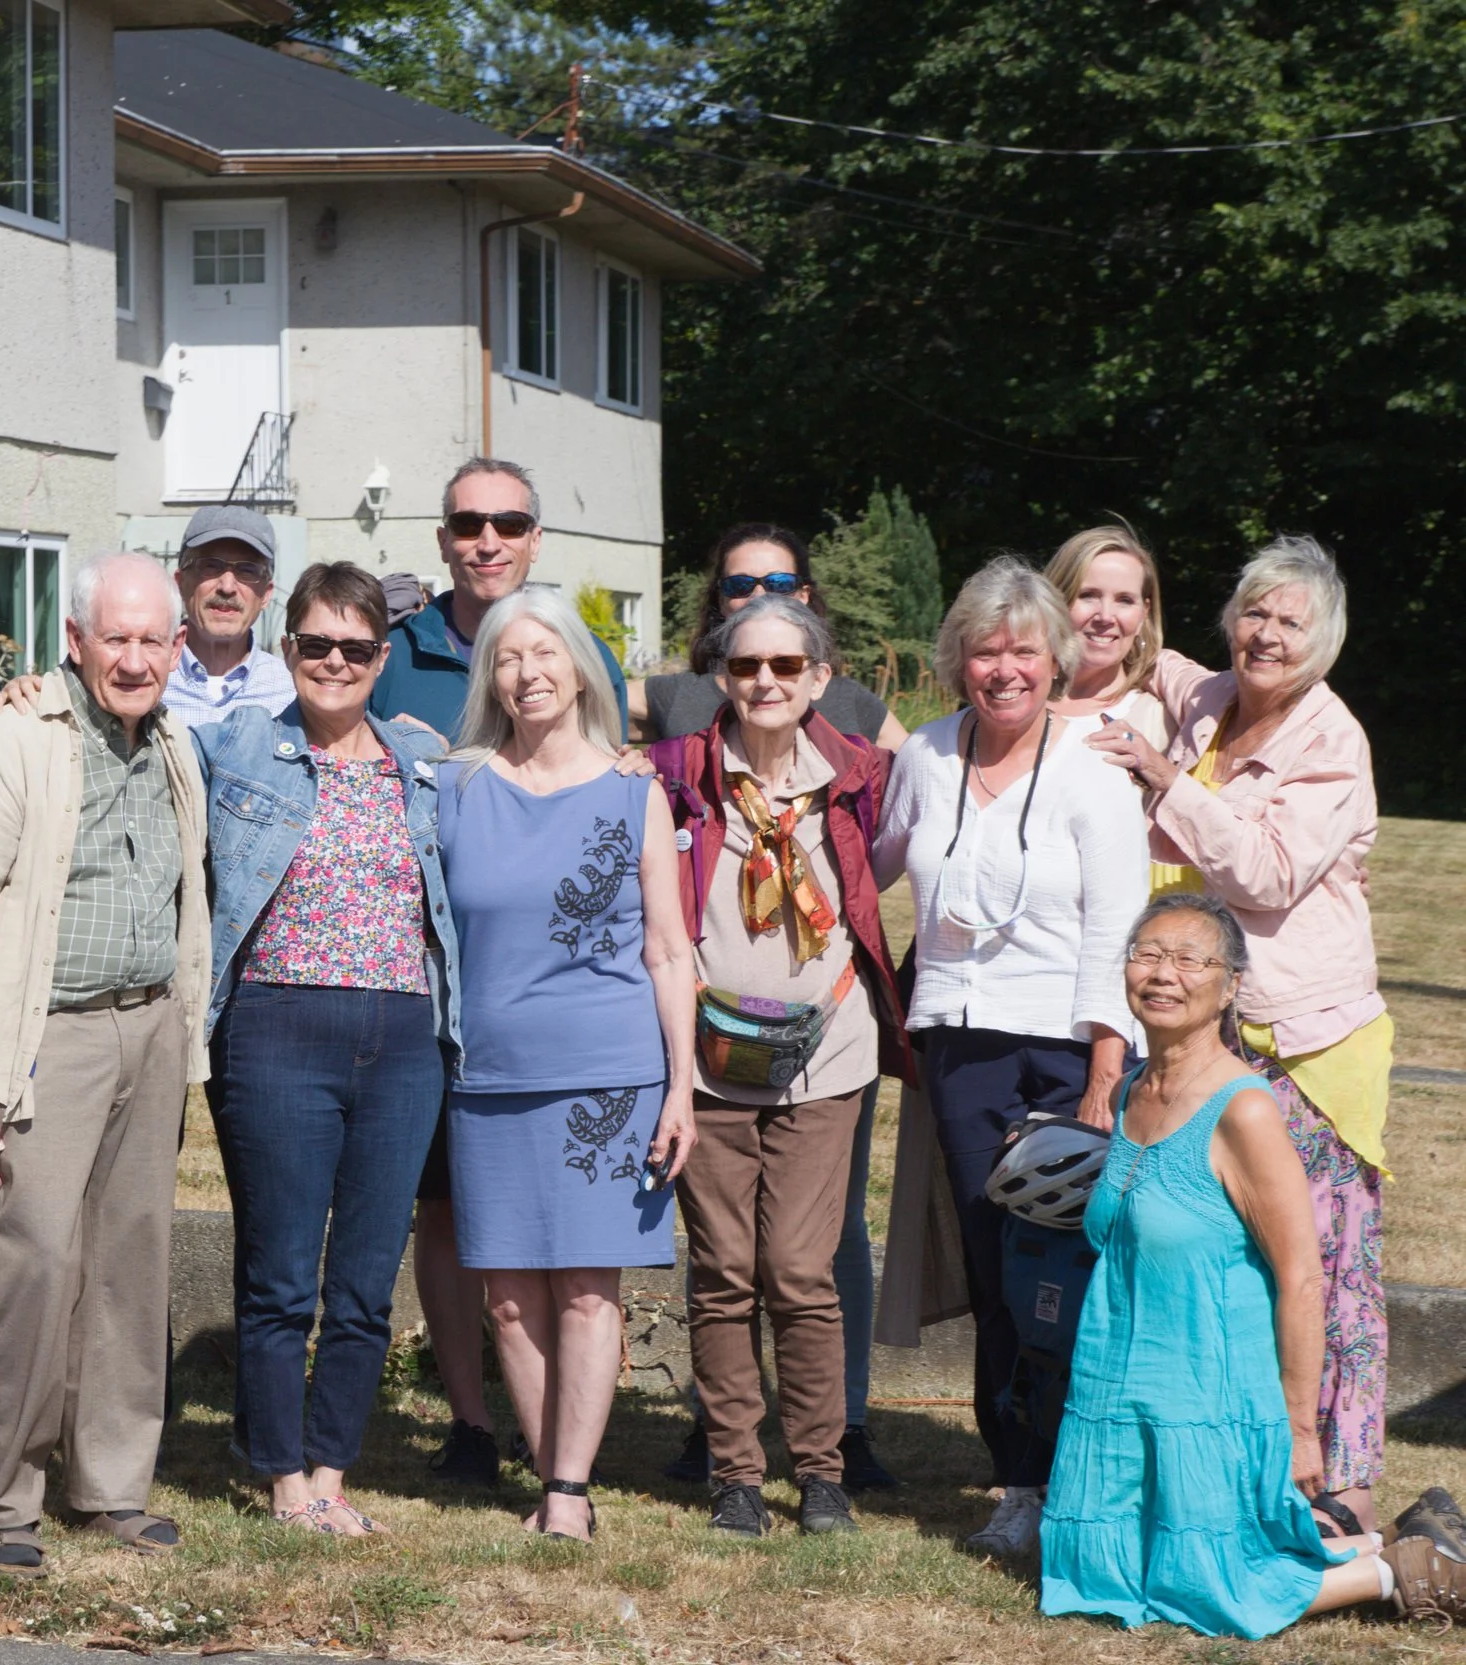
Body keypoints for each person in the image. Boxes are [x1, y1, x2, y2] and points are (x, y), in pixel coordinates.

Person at [1041, 894, 1466, 1633]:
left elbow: (1304, 1277)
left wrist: (1302, 1429)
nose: (1163, 973)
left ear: (1230, 984)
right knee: (1097, 1577)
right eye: (1148, 953)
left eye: (1189, 959)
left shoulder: (1245, 1108)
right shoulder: (1134, 1088)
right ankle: (1381, 1537)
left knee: (1210, 1595)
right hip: (1119, 1392)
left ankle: (1397, 1568)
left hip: (1211, 1399)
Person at [0, 551, 211, 1577]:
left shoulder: (174, 743)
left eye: (150, 641)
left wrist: (183, 1030)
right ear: (73, 644)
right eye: (112, 638)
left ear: (176, 650)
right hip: (44, 1040)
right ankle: (7, 1503)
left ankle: (112, 1488)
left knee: (129, 1266)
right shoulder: (11, 747)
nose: (133, 659)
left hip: (149, 1030)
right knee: (32, 1267)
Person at [1089, 535, 1386, 1530]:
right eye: (1253, 612)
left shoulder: (1329, 741)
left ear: (1324, 644)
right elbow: (1128, 649)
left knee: (1319, 1261)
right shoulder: (1206, 697)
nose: (1265, 634)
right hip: (1207, 1029)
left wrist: (1168, 780)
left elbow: (1262, 873)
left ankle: (1338, 1485)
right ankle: (1236, 1465)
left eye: (1289, 622)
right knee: (1225, 1258)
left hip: (1305, 1039)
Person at [873, 557, 1149, 1558]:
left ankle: (1093, 1481)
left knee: (1073, 1271)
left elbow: (1117, 928)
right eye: (985, 651)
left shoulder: (1093, 768)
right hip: (959, 1043)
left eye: (1023, 651)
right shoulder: (928, 759)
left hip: (1072, 1051)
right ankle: (1019, 1484)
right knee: (998, 1271)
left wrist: (1105, 1081)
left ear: (1054, 658)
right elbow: (864, 864)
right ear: (958, 660)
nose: (1004, 669)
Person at [366, 456, 629, 1487]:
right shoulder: (393, 652)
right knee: (449, 1212)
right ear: (442, 539)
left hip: (552, 1001)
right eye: (467, 522)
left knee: (555, 1241)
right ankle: (473, 1419)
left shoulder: (573, 642)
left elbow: (611, 772)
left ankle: (552, 1435)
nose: (486, 539)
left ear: (533, 536)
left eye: (506, 521)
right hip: (436, 984)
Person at [635, 522, 905, 1494]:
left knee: (799, 1271)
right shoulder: (675, 773)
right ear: (721, 672)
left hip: (827, 1054)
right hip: (710, 1057)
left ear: (819, 674)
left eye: (785, 664)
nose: (764, 680)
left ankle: (824, 1470)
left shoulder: (866, 779)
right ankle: (736, 1473)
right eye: (746, 666)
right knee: (721, 1275)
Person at [197, 563, 454, 1535]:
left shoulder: (423, 762)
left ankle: (332, 1471)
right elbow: (124, 726)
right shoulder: (234, 750)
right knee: (279, 1275)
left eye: (355, 647)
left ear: (380, 659)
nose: (334, 662)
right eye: (315, 644)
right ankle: (280, 1478)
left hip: (400, 1042)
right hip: (274, 1031)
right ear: (286, 649)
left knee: (362, 1280)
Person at [438, 587, 695, 1543]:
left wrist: (680, 1086)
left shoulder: (635, 789)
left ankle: (570, 1492)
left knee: (589, 1288)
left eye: (547, 653)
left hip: (609, 1073)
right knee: (507, 1298)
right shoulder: (452, 788)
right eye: (509, 656)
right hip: (489, 1077)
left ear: (581, 668)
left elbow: (670, 950)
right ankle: (550, 1470)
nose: (528, 671)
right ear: (490, 676)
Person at [630, 523, 909, 749]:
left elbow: (922, 770)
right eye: (740, 585)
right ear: (721, 600)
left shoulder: (850, 701)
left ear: (803, 596)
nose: (759, 596)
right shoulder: (679, 695)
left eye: (779, 583)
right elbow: (591, 696)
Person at [160, 504, 296, 727]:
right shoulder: (147, 678)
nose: (227, 586)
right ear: (180, 583)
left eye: (247, 571)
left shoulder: (290, 690)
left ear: (266, 594)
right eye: (211, 566)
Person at [1046, 525, 1171, 748]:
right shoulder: (1013, 704)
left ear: (1144, 613)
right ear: (1056, 601)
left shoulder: (1162, 725)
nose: (1105, 617)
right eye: (1088, 596)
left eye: (1124, 600)